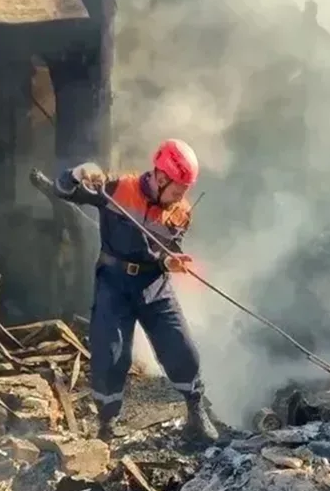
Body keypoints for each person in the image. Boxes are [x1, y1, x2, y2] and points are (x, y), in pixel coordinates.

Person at [54, 140, 219, 444]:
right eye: (176, 189)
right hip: (114, 283)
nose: (180, 197)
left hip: (154, 285)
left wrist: (171, 261)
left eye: (185, 190)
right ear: (160, 176)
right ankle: (107, 424)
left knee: (181, 347)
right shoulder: (118, 188)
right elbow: (63, 189)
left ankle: (196, 413)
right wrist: (78, 173)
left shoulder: (181, 213)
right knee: (111, 354)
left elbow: (166, 252)